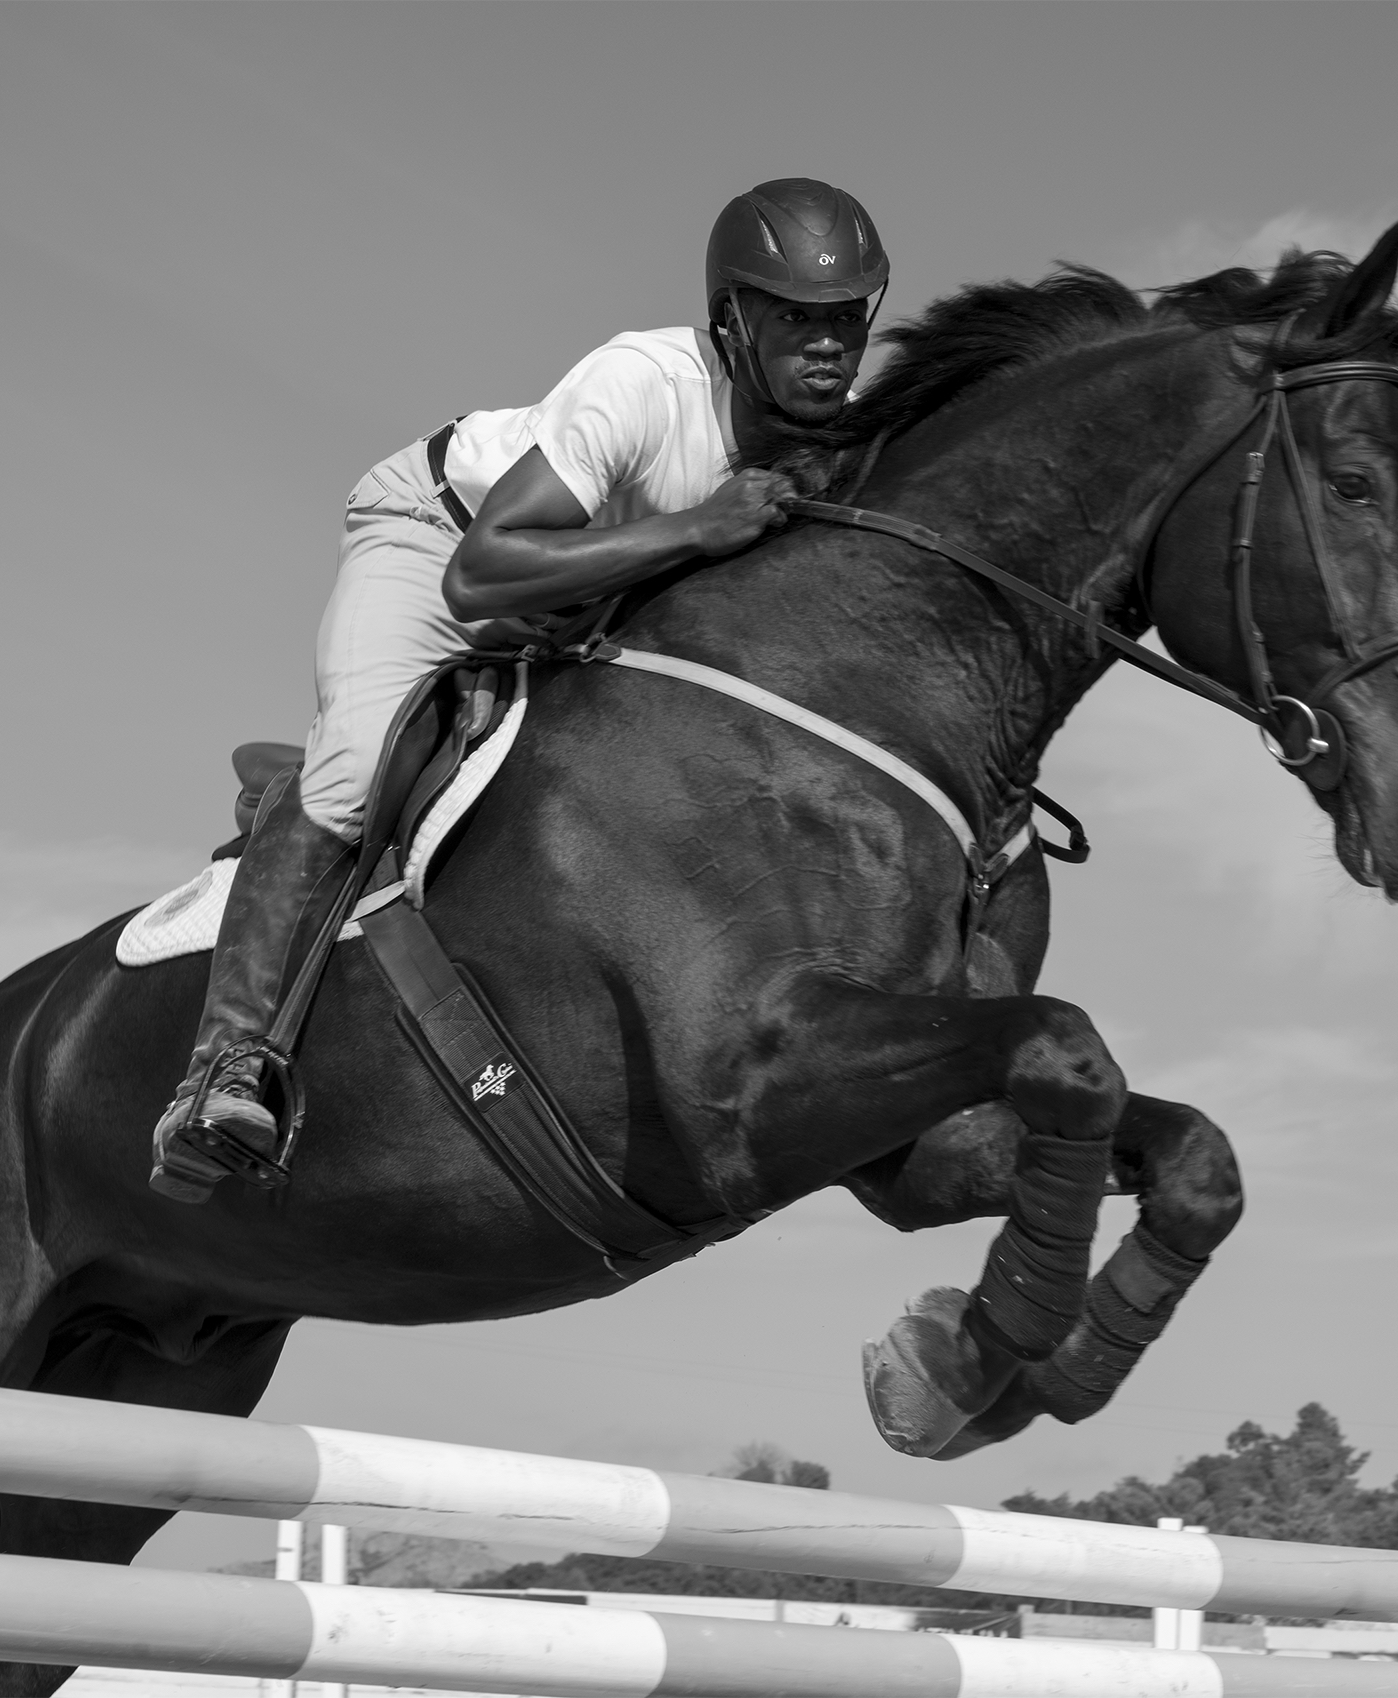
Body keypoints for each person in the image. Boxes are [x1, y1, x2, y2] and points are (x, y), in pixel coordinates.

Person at [150, 178, 891, 1202]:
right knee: (357, 770)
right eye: (798, 318)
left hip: (580, 602)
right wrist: (694, 528)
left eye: (847, 317)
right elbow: (482, 572)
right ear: (732, 318)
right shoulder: (644, 381)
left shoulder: (844, 442)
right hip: (441, 541)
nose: (828, 344)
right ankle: (223, 1071)